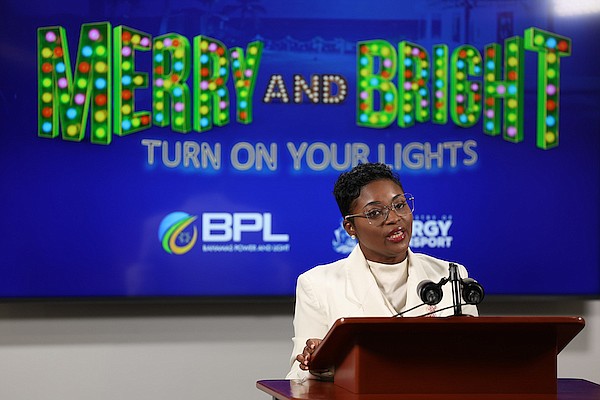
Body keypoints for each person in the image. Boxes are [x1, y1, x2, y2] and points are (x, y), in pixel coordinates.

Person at [285, 163, 478, 380]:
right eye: (375, 213)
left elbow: (473, 362)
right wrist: (320, 362)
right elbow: (298, 378)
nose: (394, 218)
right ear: (350, 227)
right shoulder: (317, 284)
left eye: (400, 205)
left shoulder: (452, 275)